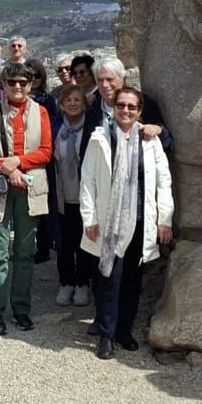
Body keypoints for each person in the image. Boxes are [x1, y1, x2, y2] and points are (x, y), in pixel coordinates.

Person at [79, 85, 174, 359]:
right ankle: (106, 334)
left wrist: (165, 219)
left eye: (132, 106)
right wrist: (89, 218)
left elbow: (163, 181)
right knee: (110, 277)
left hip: (142, 219)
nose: (126, 110)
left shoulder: (150, 141)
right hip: (110, 220)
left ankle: (124, 330)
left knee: (133, 278)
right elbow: (88, 180)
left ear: (140, 111)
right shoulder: (101, 138)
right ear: (114, 107)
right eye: (121, 105)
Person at [0, 61, 54, 335]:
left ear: (30, 85)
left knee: (25, 253)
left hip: (29, 188)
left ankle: (21, 309)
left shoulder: (41, 112)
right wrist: (6, 168)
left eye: (23, 82)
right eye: (12, 82)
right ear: (4, 85)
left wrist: (18, 162)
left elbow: (46, 151)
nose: (17, 87)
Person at [48, 84, 96, 307]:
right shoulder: (56, 127)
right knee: (65, 242)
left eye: (77, 99)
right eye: (68, 100)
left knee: (85, 240)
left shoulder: (93, 127)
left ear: (84, 103)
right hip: (62, 194)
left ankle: (82, 283)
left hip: (86, 194)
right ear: (61, 104)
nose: (73, 103)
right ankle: (66, 282)